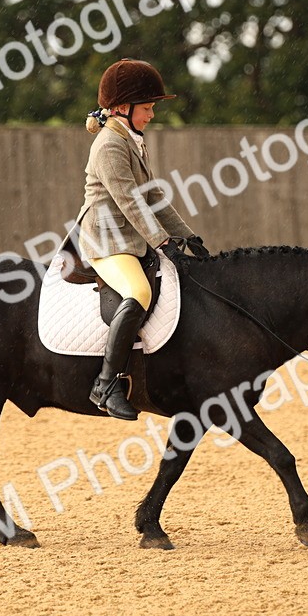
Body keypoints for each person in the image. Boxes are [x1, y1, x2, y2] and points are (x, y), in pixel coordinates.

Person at [72, 58, 210, 421]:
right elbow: (130, 202)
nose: (151, 115)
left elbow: (152, 197)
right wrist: (163, 242)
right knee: (140, 292)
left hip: (130, 236)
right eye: (147, 108)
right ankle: (106, 384)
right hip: (106, 239)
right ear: (122, 107)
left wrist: (187, 236)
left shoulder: (131, 139)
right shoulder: (109, 145)